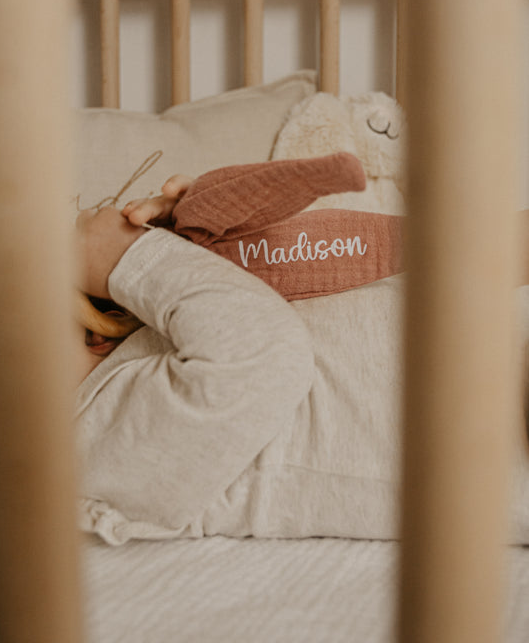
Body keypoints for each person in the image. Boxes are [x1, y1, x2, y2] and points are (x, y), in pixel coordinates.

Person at [75, 177, 529, 545]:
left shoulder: (147, 340)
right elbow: (264, 355)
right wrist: (136, 261)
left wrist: (204, 243)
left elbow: (312, 275)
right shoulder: (88, 447)